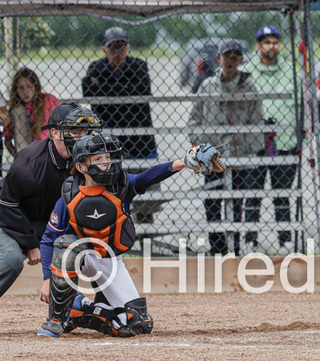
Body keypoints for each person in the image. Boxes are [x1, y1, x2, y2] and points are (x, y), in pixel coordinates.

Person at [36, 133, 221, 337]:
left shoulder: (121, 185)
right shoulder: (70, 193)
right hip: (81, 255)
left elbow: (149, 176)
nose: (106, 163)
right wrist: (47, 279)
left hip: (109, 260)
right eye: (98, 159)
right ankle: (56, 319)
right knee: (65, 244)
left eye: (108, 157)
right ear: (81, 166)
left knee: (137, 324)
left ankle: (80, 309)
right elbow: (48, 239)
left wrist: (184, 162)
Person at [0, 104, 100, 298]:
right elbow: (6, 206)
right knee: (10, 259)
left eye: (86, 131)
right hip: (13, 223)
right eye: (75, 130)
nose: (83, 136)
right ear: (55, 133)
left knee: (82, 249)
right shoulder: (30, 162)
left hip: (51, 224)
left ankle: (73, 311)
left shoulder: (88, 159)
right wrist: (30, 243)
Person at [188, 39, 265, 256]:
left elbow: (257, 121)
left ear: (241, 59)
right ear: (219, 59)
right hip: (212, 157)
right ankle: (218, 248)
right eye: (226, 57)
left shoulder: (249, 86)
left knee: (238, 203)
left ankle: (236, 247)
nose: (230, 61)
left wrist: (248, 149)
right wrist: (203, 146)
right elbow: (194, 120)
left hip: (239, 156)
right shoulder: (207, 86)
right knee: (212, 202)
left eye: (235, 57)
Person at [240, 24, 300, 255]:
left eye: (275, 41)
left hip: (285, 142)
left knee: (282, 193)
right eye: (266, 42)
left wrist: (300, 143)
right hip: (254, 144)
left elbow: (302, 107)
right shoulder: (247, 71)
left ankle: (286, 240)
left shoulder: (291, 70)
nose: (271, 46)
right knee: (252, 194)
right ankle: (250, 240)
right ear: (258, 45)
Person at [82, 27, 158, 159]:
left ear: (128, 48)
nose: (117, 52)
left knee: (144, 176)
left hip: (140, 139)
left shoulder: (138, 66)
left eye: (121, 48)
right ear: (104, 50)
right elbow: (87, 90)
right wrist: (126, 88)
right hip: (107, 139)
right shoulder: (96, 67)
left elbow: (143, 89)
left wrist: (102, 87)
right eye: (112, 48)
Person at [2, 68, 61, 157]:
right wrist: (17, 156)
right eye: (21, 88)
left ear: (36, 86)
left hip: (48, 149)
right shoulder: (16, 109)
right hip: (27, 153)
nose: (25, 92)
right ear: (16, 90)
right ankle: (26, 158)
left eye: (29, 87)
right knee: (18, 111)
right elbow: (7, 138)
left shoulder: (48, 100)